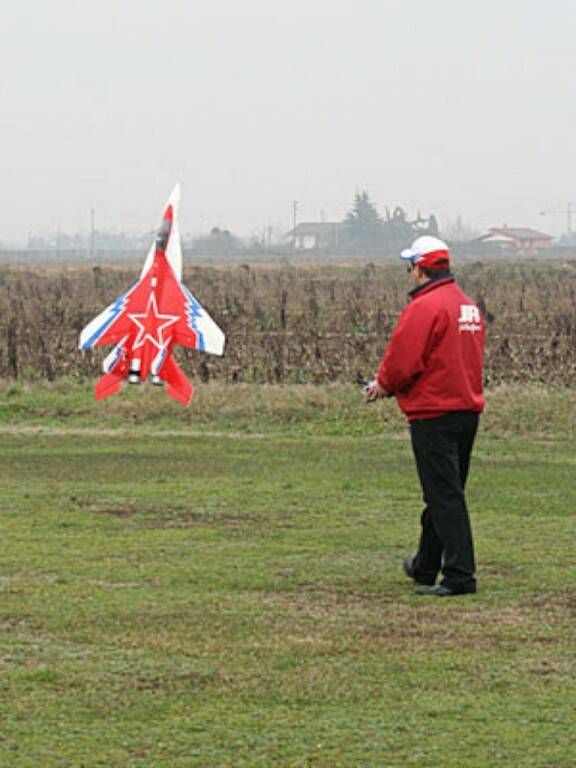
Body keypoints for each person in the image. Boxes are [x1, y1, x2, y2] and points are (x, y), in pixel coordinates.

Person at [366, 236, 485, 596]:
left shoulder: (424, 308)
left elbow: (403, 360)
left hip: (434, 412)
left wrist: (382, 385)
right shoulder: (467, 306)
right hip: (466, 410)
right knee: (444, 490)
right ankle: (424, 566)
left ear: (419, 268)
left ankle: (460, 576)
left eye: (410, 267)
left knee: (444, 495)